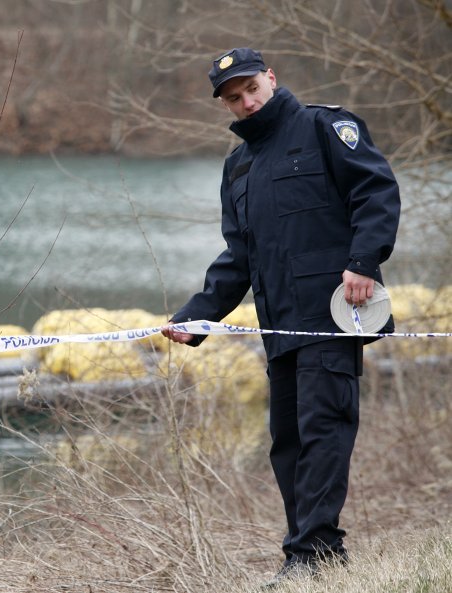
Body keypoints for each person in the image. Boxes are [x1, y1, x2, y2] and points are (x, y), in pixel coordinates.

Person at [161, 48, 400, 585]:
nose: (245, 102)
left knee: (322, 431)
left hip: (333, 317)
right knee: (287, 443)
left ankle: (309, 553)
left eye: (251, 89)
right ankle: (318, 558)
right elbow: (238, 259)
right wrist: (198, 316)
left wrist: (363, 261)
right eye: (232, 97)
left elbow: (376, 192)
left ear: (271, 79)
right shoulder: (237, 166)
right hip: (279, 329)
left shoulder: (324, 127)